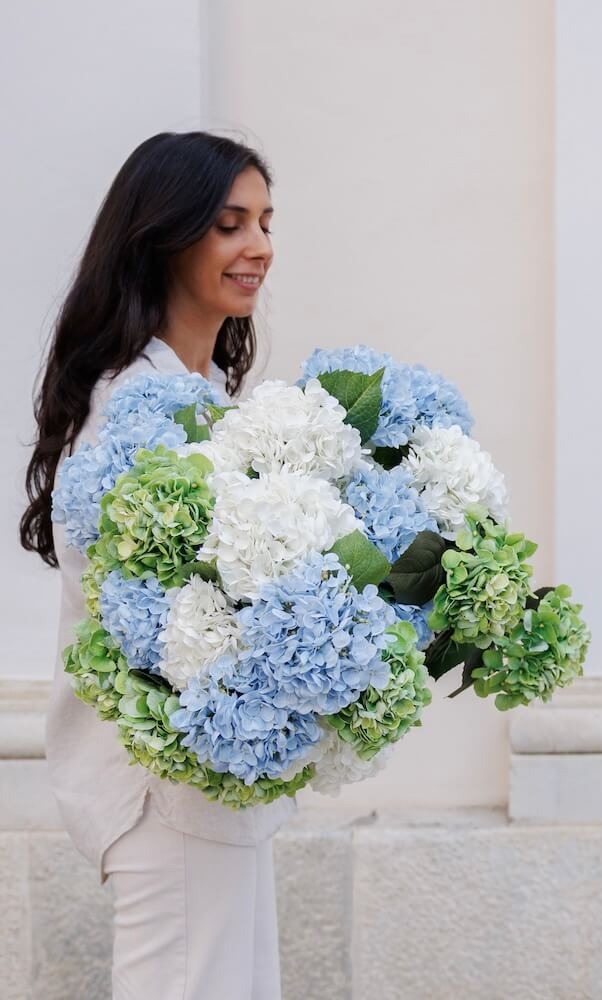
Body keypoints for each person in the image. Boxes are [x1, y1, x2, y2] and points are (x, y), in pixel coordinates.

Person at [20, 131, 289, 999]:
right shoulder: (134, 406)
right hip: (165, 789)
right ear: (163, 237)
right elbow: (150, 614)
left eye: (266, 222)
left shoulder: (201, 397)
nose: (258, 246)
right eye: (229, 224)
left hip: (215, 786)